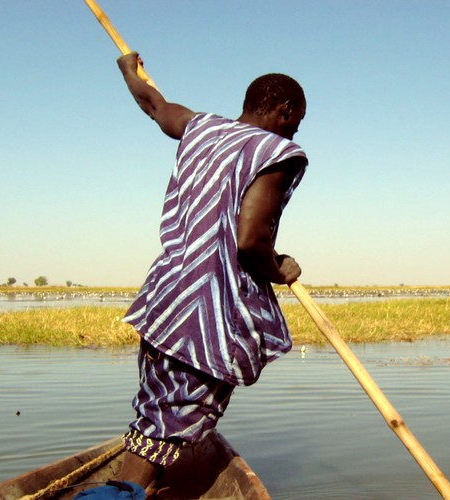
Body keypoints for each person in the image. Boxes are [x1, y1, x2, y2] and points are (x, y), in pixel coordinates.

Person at [114, 52, 308, 490]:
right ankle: (121, 494)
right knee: (168, 421)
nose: (298, 127)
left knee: (157, 409)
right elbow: (251, 240)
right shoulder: (276, 152)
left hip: (164, 301)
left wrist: (129, 71)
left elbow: (155, 106)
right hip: (211, 315)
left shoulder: (200, 126)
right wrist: (278, 268)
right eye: (298, 117)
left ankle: (132, 489)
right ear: (285, 110)